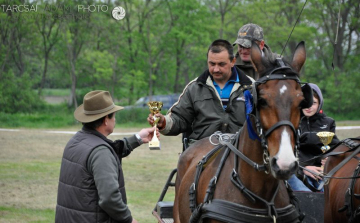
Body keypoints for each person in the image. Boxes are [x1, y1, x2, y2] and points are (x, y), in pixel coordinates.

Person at [55, 90, 158, 223]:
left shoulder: (75, 141)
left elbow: (107, 152)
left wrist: (137, 139)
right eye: (113, 116)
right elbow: (110, 198)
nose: (115, 119)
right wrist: (129, 220)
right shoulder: (100, 152)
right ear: (105, 120)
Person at [147, 39, 254, 147]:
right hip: (201, 155)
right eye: (212, 64)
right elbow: (180, 118)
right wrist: (163, 122)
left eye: (221, 64)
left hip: (242, 154)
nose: (216, 69)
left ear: (233, 61)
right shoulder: (194, 88)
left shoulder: (252, 87)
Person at [287, 83, 340, 192]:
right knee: (307, 197)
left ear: (320, 103)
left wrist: (330, 159)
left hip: (321, 174)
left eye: (314, 103)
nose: (309, 107)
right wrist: (303, 169)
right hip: (296, 173)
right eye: (306, 103)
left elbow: (336, 148)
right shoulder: (290, 123)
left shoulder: (328, 122)